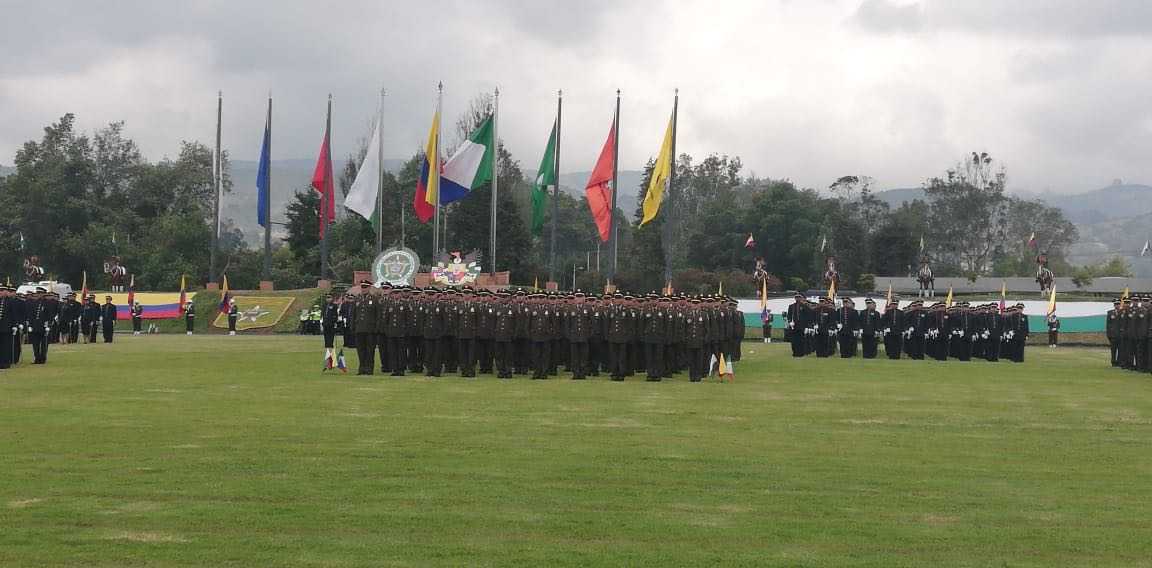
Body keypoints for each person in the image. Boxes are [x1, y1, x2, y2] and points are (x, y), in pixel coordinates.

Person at [1106, 298, 1121, 367]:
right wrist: (1108, 335)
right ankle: (1113, 362)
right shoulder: (1110, 313)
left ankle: (1119, 361)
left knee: (1121, 350)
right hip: (1113, 335)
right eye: (1115, 304)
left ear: (1120, 304)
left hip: (1120, 335)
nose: (1116, 305)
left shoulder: (1123, 312)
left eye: (1118, 304)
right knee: (1113, 350)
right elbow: (1108, 325)